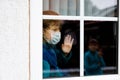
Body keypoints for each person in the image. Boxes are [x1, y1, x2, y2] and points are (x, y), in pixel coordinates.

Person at [43, 10, 74, 78]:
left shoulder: (50, 46)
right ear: (43, 31)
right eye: (54, 30)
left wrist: (64, 53)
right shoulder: (42, 51)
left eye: (59, 29)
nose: (58, 32)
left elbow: (59, 62)